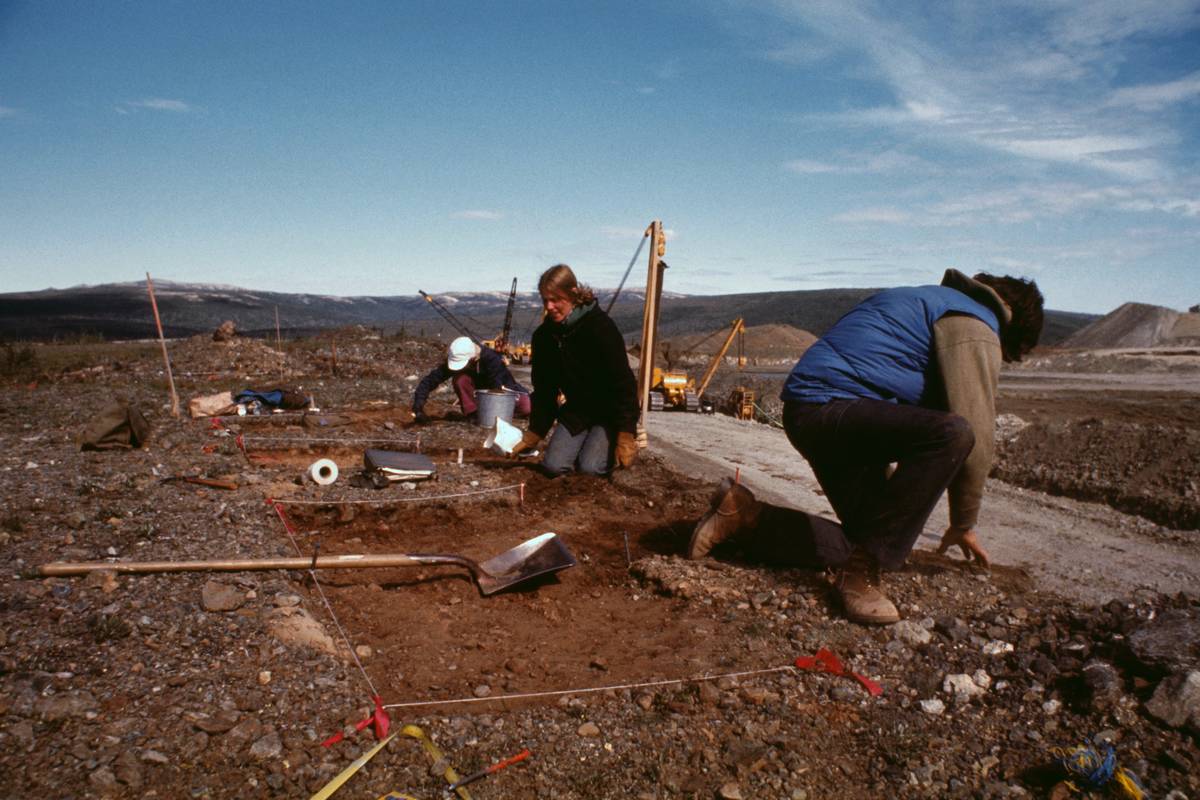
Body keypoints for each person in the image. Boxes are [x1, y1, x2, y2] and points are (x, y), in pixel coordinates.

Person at [687, 269, 1044, 625]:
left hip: (814, 412)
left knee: (868, 540)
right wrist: (963, 522)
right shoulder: (975, 324)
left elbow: (894, 409)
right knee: (955, 434)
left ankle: (743, 517)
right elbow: (974, 432)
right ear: (1012, 329)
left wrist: (892, 509)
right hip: (834, 410)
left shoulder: (925, 300)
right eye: (1010, 354)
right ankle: (860, 578)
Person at [510, 264, 640, 475]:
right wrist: (535, 432)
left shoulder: (600, 328)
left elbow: (623, 383)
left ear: (572, 294)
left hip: (609, 413)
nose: (549, 306)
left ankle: (609, 443)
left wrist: (626, 432)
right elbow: (545, 389)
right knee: (553, 466)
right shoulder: (544, 337)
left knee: (590, 468)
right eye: (545, 300)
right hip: (577, 412)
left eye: (555, 299)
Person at [411, 336, 530, 423]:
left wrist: (492, 413)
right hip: (477, 394)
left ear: (472, 358)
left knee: (526, 408)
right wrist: (418, 408)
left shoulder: (492, 359)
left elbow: (497, 389)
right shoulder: (460, 359)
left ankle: (501, 416)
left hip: (503, 391)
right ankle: (472, 414)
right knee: (460, 379)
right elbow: (431, 380)